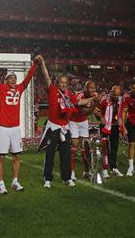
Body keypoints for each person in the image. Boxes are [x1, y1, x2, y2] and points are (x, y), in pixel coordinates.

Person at [0, 48, 40, 194]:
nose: (14, 79)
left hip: (15, 128)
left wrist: (35, 64)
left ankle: (15, 181)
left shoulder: (19, 88)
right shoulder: (1, 88)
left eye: (15, 78)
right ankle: (1, 183)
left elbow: (29, 77)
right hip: (3, 128)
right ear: (6, 80)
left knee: (17, 156)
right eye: (11, 78)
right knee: (1, 157)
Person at [39, 57, 94, 188]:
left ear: (67, 84)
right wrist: (42, 63)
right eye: (61, 82)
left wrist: (93, 98)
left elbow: (80, 102)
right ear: (57, 83)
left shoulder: (69, 94)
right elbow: (46, 77)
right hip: (53, 127)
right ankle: (48, 179)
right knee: (50, 154)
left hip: (65, 128)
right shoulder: (52, 90)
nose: (63, 85)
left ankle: (67, 178)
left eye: (65, 83)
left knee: (66, 154)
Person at [69, 81, 100, 180]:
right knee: (74, 146)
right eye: (90, 88)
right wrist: (95, 104)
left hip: (83, 122)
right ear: (85, 88)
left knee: (85, 147)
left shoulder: (95, 95)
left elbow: (92, 112)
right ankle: (71, 172)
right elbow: (85, 112)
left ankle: (86, 172)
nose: (93, 90)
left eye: (94, 87)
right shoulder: (79, 96)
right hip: (73, 121)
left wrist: (101, 115)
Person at [95, 85, 124, 178]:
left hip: (115, 126)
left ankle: (113, 167)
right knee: (105, 147)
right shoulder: (104, 100)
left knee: (114, 147)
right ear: (111, 92)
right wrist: (101, 117)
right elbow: (95, 110)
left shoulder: (121, 100)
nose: (115, 96)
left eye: (117, 95)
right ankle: (104, 169)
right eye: (114, 94)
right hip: (105, 126)